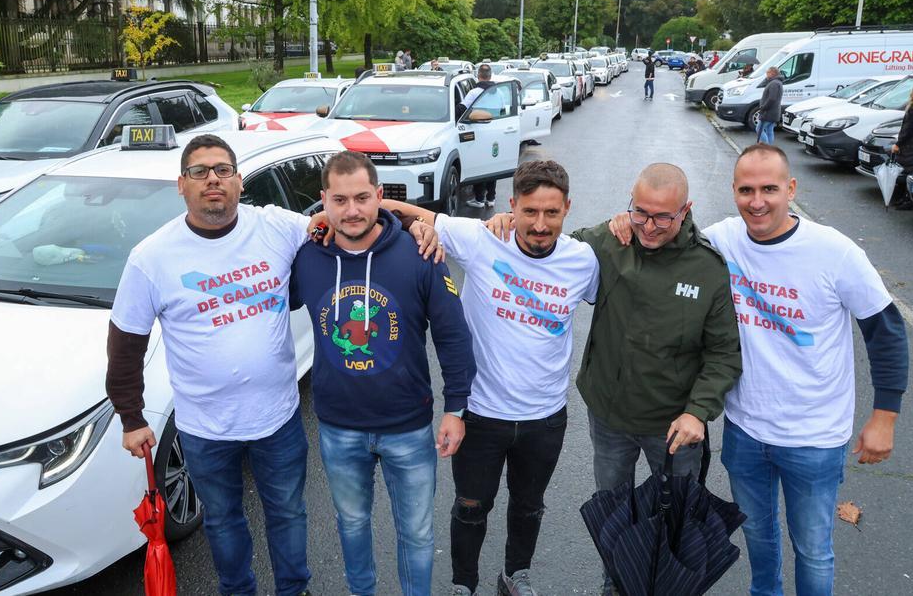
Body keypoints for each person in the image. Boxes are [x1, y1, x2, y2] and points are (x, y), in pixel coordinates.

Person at [610, 144, 909, 596]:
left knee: (812, 549)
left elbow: (885, 330)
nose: (757, 201)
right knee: (759, 536)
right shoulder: (722, 240)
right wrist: (622, 221)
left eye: (770, 188)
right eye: (746, 189)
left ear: (791, 189)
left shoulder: (834, 252)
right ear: (733, 191)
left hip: (814, 436)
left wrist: (885, 416)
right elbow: (663, 236)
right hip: (746, 430)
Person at [491, 163, 742, 596]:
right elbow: (545, 244)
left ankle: (666, 585)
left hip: (674, 427)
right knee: (615, 511)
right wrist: (504, 221)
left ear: (687, 210)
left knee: (675, 518)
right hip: (609, 417)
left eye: (663, 216)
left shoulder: (708, 269)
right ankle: (616, 581)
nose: (649, 226)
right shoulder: (609, 241)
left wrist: (698, 413)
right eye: (640, 212)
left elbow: (724, 354)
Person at [107, 134, 316, 596]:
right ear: (181, 184)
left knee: (287, 513)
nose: (212, 180)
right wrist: (132, 417)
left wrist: (416, 222)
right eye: (199, 172)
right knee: (222, 522)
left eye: (222, 170)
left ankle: (293, 590)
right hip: (204, 427)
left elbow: (341, 222)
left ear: (240, 181)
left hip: (277, 418)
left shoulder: (275, 227)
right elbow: (125, 343)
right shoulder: (152, 257)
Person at [383, 161, 600, 596]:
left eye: (552, 213)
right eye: (530, 212)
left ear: (567, 209)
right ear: (512, 206)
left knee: (528, 507)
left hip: (545, 417)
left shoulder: (583, 261)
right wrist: (412, 229)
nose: (540, 225)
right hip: (480, 413)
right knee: (470, 506)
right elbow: (394, 209)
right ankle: (464, 583)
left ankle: (514, 575)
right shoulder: (482, 239)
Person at [289, 151, 477, 596]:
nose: (351, 210)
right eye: (339, 200)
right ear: (323, 202)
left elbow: (453, 336)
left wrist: (456, 408)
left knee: (415, 534)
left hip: (407, 428)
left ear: (379, 196)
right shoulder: (308, 258)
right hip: (338, 427)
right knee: (352, 526)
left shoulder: (421, 254)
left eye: (360, 198)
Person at [461, 63, 499, 208]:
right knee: (493, 165)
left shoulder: (474, 92)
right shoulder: (499, 92)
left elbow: (462, 109)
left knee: (480, 165)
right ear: (490, 75)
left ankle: (479, 199)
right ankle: (491, 198)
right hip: (496, 132)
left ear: (478, 76)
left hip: (479, 131)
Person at [756, 66, 783, 145]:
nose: (766, 75)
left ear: (772, 73)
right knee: (769, 130)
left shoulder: (774, 83)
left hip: (768, 112)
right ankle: (770, 148)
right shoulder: (778, 82)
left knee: (759, 129)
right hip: (774, 112)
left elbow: (772, 98)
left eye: (767, 73)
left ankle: (766, 147)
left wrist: (763, 107)